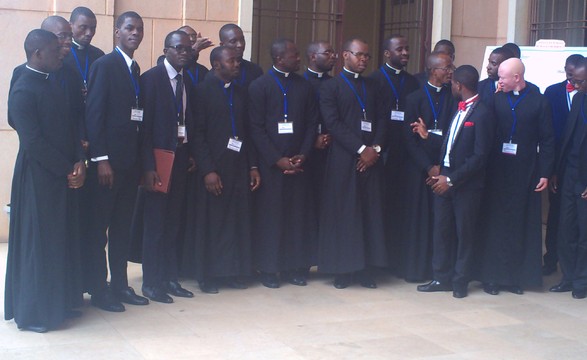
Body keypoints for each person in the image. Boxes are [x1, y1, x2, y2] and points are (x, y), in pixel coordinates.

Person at [5, 29, 86, 333]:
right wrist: (68, 168)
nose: (62, 52)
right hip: (39, 177)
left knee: (60, 241)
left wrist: (79, 160)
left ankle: (61, 302)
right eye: (55, 49)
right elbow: (33, 141)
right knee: (40, 245)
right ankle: (35, 313)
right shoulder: (23, 89)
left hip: (64, 173)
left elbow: (71, 124)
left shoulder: (56, 81)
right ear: (38, 53)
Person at [84, 11, 149, 312]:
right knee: (100, 229)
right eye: (129, 28)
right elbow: (94, 115)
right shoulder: (105, 65)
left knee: (123, 228)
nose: (135, 33)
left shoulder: (135, 69)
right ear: (117, 33)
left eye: (139, 29)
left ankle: (121, 285)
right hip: (108, 166)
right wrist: (101, 159)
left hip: (130, 164)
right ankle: (99, 290)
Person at [413, 65, 494, 298]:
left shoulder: (483, 112)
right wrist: (428, 137)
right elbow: (451, 144)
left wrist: (452, 179)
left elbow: (480, 156)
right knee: (442, 231)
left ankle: (460, 281)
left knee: (464, 234)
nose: (451, 87)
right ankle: (441, 277)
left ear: (459, 85)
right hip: (445, 179)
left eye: (453, 84)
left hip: (465, 184)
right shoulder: (458, 110)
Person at [477, 58, 554, 295]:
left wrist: (545, 172)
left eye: (503, 77)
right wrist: (492, 96)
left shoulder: (538, 100)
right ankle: (491, 277)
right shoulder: (495, 97)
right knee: (496, 223)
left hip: (526, 171)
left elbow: (548, 139)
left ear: (517, 78)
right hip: (498, 170)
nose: (498, 80)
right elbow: (483, 122)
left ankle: (515, 278)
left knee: (520, 223)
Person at [318, 38, 387, 289]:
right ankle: (343, 270)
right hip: (344, 159)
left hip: (371, 160)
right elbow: (333, 123)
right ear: (346, 55)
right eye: (359, 55)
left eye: (367, 56)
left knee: (368, 214)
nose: (364, 60)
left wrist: (375, 150)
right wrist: (361, 149)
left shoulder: (373, 86)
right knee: (345, 215)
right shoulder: (331, 87)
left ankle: (365, 270)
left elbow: (382, 119)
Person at [248, 39, 318, 288]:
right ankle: (268, 269)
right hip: (271, 166)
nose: (299, 59)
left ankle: (293, 268)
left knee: (297, 219)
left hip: (299, 163)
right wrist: (276, 159)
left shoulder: (305, 86)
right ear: (278, 59)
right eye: (294, 55)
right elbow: (255, 128)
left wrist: (304, 153)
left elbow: (312, 123)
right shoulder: (260, 86)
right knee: (271, 219)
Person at [192, 46, 261, 293]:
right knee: (212, 222)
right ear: (216, 65)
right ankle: (207, 275)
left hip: (239, 166)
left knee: (235, 221)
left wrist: (253, 165)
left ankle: (232, 271)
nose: (237, 64)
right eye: (231, 61)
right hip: (214, 167)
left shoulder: (241, 93)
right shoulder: (201, 92)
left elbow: (248, 132)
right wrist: (208, 170)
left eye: (237, 60)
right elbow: (197, 135)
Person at [136, 31, 197, 303]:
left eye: (187, 49)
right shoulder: (150, 80)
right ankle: (151, 282)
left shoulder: (187, 81)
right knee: (156, 225)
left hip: (181, 158)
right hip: (158, 161)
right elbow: (144, 129)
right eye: (178, 48)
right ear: (166, 50)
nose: (184, 52)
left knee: (174, 222)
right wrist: (147, 166)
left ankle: (171, 278)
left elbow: (187, 120)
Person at [399, 52, 455, 282]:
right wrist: (427, 167)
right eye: (446, 68)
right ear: (433, 70)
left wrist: (440, 168)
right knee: (419, 220)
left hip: (444, 169)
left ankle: (439, 270)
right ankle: (417, 269)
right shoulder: (414, 99)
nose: (450, 71)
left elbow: (454, 136)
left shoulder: (453, 97)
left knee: (442, 222)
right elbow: (408, 139)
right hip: (419, 169)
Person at [369, 34, 420, 273]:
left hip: (407, 154)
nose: (405, 53)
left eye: (407, 49)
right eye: (400, 49)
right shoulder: (374, 81)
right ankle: (381, 261)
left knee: (404, 208)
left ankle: (400, 259)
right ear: (387, 53)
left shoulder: (412, 82)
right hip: (383, 153)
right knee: (382, 207)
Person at [543, 54, 584, 276]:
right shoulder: (553, 92)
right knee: (559, 218)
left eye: (577, 76)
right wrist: (552, 170)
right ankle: (555, 264)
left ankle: (578, 272)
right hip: (560, 166)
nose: (572, 79)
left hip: (581, 170)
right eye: (569, 73)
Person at [303, 41, 337, 241]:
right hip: (306, 152)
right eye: (328, 53)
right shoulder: (300, 82)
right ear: (313, 56)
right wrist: (312, 140)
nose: (333, 56)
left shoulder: (335, 83)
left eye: (334, 53)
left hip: (331, 149)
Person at [216, 23, 262, 88]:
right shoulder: (216, 73)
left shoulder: (255, 71)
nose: (240, 45)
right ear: (222, 45)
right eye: (233, 41)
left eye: (242, 40)